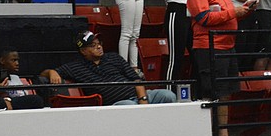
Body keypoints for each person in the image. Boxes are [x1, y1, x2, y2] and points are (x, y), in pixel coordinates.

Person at [187, 0, 252, 136]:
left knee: (226, 91)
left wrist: (243, 11)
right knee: (212, 91)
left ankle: (223, 135)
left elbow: (226, 15)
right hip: (209, 47)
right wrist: (234, 12)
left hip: (226, 46)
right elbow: (204, 18)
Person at [40, 31, 176, 106]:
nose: (99, 47)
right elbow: (42, 74)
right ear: (83, 51)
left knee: (168, 95)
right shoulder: (76, 67)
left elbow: (136, 80)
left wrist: (143, 99)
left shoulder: (113, 57)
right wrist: (52, 72)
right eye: (93, 45)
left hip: (141, 97)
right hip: (118, 103)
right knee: (128, 107)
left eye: (99, 43)